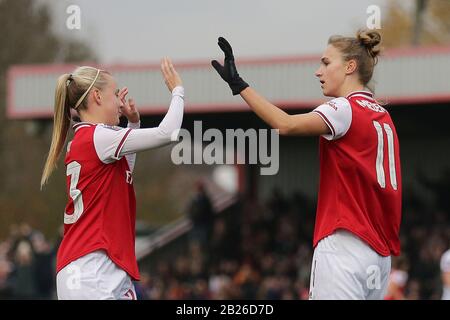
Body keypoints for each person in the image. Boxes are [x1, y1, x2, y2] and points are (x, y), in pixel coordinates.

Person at [211, 30, 402, 300]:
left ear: (350, 67)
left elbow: (285, 125)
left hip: (344, 249)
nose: (318, 71)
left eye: (325, 62)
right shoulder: (383, 116)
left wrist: (239, 85)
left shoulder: (345, 109)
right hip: (378, 258)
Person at [40, 58, 184, 300]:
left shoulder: (91, 139)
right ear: (97, 96)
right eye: (115, 94)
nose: (120, 101)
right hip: (91, 267)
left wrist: (134, 123)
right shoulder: (98, 137)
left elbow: (125, 171)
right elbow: (167, 133)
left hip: (99, 266)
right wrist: (178, 90)